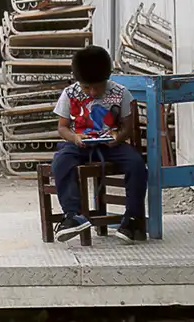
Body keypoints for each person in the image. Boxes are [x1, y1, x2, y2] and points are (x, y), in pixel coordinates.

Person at [51, 45, 147, 244]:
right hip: (80, 144)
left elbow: (127, 127)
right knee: (61, 161)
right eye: (87, 87)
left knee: (137, 164)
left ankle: (131, 219)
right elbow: (62, 128)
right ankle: (73, 215)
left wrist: (118, 138)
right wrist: (75, 138)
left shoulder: (121, 93)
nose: (93, 92)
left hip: (112, 146)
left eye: (97, 86)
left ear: (107, 77)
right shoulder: (69, 93)